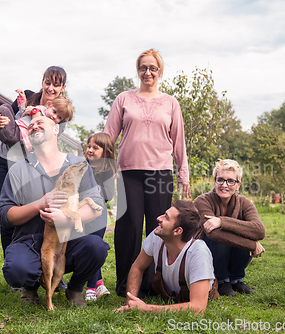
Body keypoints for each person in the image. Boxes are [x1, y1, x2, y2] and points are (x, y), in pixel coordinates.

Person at [0, 116, 110, 306]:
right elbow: (4, 216)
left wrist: (67, 219)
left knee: (97, 248)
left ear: (56, 129)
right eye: (31, 125)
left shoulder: (78, 165)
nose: (34, 126)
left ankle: (75, 288)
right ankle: (30, 286)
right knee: (17, 270)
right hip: (29, 240)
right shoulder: (18, 170)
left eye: (40, 122)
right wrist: (39, 204)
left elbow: (96, 205)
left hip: (68, 240)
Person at [104, 48, 190, 298]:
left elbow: (178, 142)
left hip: (160, 173)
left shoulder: (171, 103)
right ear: (138, 70)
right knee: (129, 227)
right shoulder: (124, 99)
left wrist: (183, 174)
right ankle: (125, 284)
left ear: (159, 72)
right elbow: (109, 137)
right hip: (128, 172)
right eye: (143, 67)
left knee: (159, 227)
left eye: (153, 68)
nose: (148, 72)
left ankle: (152, 283)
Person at [0, 66, 68, 259]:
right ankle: (11, 265)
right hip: (3, 161)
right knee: (6, 213)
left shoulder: (59, 114)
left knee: (32, 216)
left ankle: (34, 263)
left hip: (28, 166)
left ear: (62, 87)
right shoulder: (28, 97)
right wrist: (1, 123)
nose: (50, 88)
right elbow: (8, 117)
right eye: (48, 82)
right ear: (42, 81)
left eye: (56, 85)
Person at [114, 200, 216, 314]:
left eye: (166, 217)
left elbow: (198, 308)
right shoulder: (157, 236)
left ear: (177, 231)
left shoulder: (198, 253)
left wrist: (146, 308)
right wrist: (131, 302)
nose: (159, 218)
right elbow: (137, 267)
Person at [194, 159, 266, 297]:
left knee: (238, 231)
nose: (224, 185)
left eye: (230, 181)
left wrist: (221, 221)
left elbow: (259, 230)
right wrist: (252, 245)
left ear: (238, 185)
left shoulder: (244, 203)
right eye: (220, 180)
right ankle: (221, 280)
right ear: (214, 181)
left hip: (233, 253)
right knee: (220, 237)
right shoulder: (202, 201)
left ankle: (236, 279)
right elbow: (213, 234)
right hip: (207, 252)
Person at [0, 90, 73, 150]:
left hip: (16, 138)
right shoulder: (41, 109)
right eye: (54, 112)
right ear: (48, 105)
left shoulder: (49, 125)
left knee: (4, 110)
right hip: (14, 131)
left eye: (59, 117)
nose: (55, 117)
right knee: (7, 107)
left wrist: (34, 112)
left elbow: (38, 125)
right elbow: (23, 112)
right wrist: (22, 100)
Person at [83, 132, 116, 301]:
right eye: (89, 146)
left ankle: (90, 288)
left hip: (98, 217)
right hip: (82, 215)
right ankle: (99, 283)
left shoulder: (107, 171)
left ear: (105, 152)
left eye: (95, 148)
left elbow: (108, 195)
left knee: (94, 248)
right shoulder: (82, 167)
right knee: (91, 249)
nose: (90, 150)